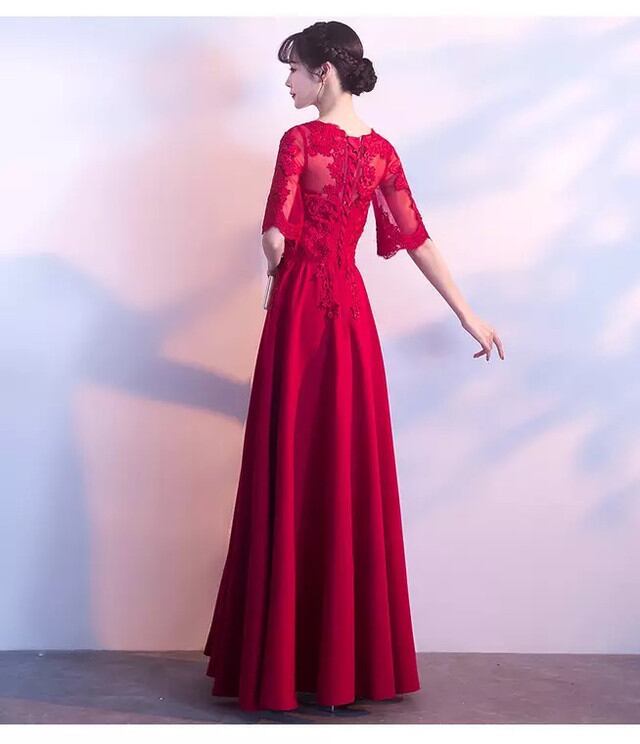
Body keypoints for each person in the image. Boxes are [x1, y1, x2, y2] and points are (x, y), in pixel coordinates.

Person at [203, 20, 504, 714]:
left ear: (325, 73)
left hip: (299, 313)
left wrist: (273, 281)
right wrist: (467, 313)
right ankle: (350, 663)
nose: (288, 82)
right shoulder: (381, 153)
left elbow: (275, 233)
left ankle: (279, 661)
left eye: (295, 70)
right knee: (345, 464)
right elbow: (416, 237)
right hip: (350, 320)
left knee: (288, 462)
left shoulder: (300, 142)